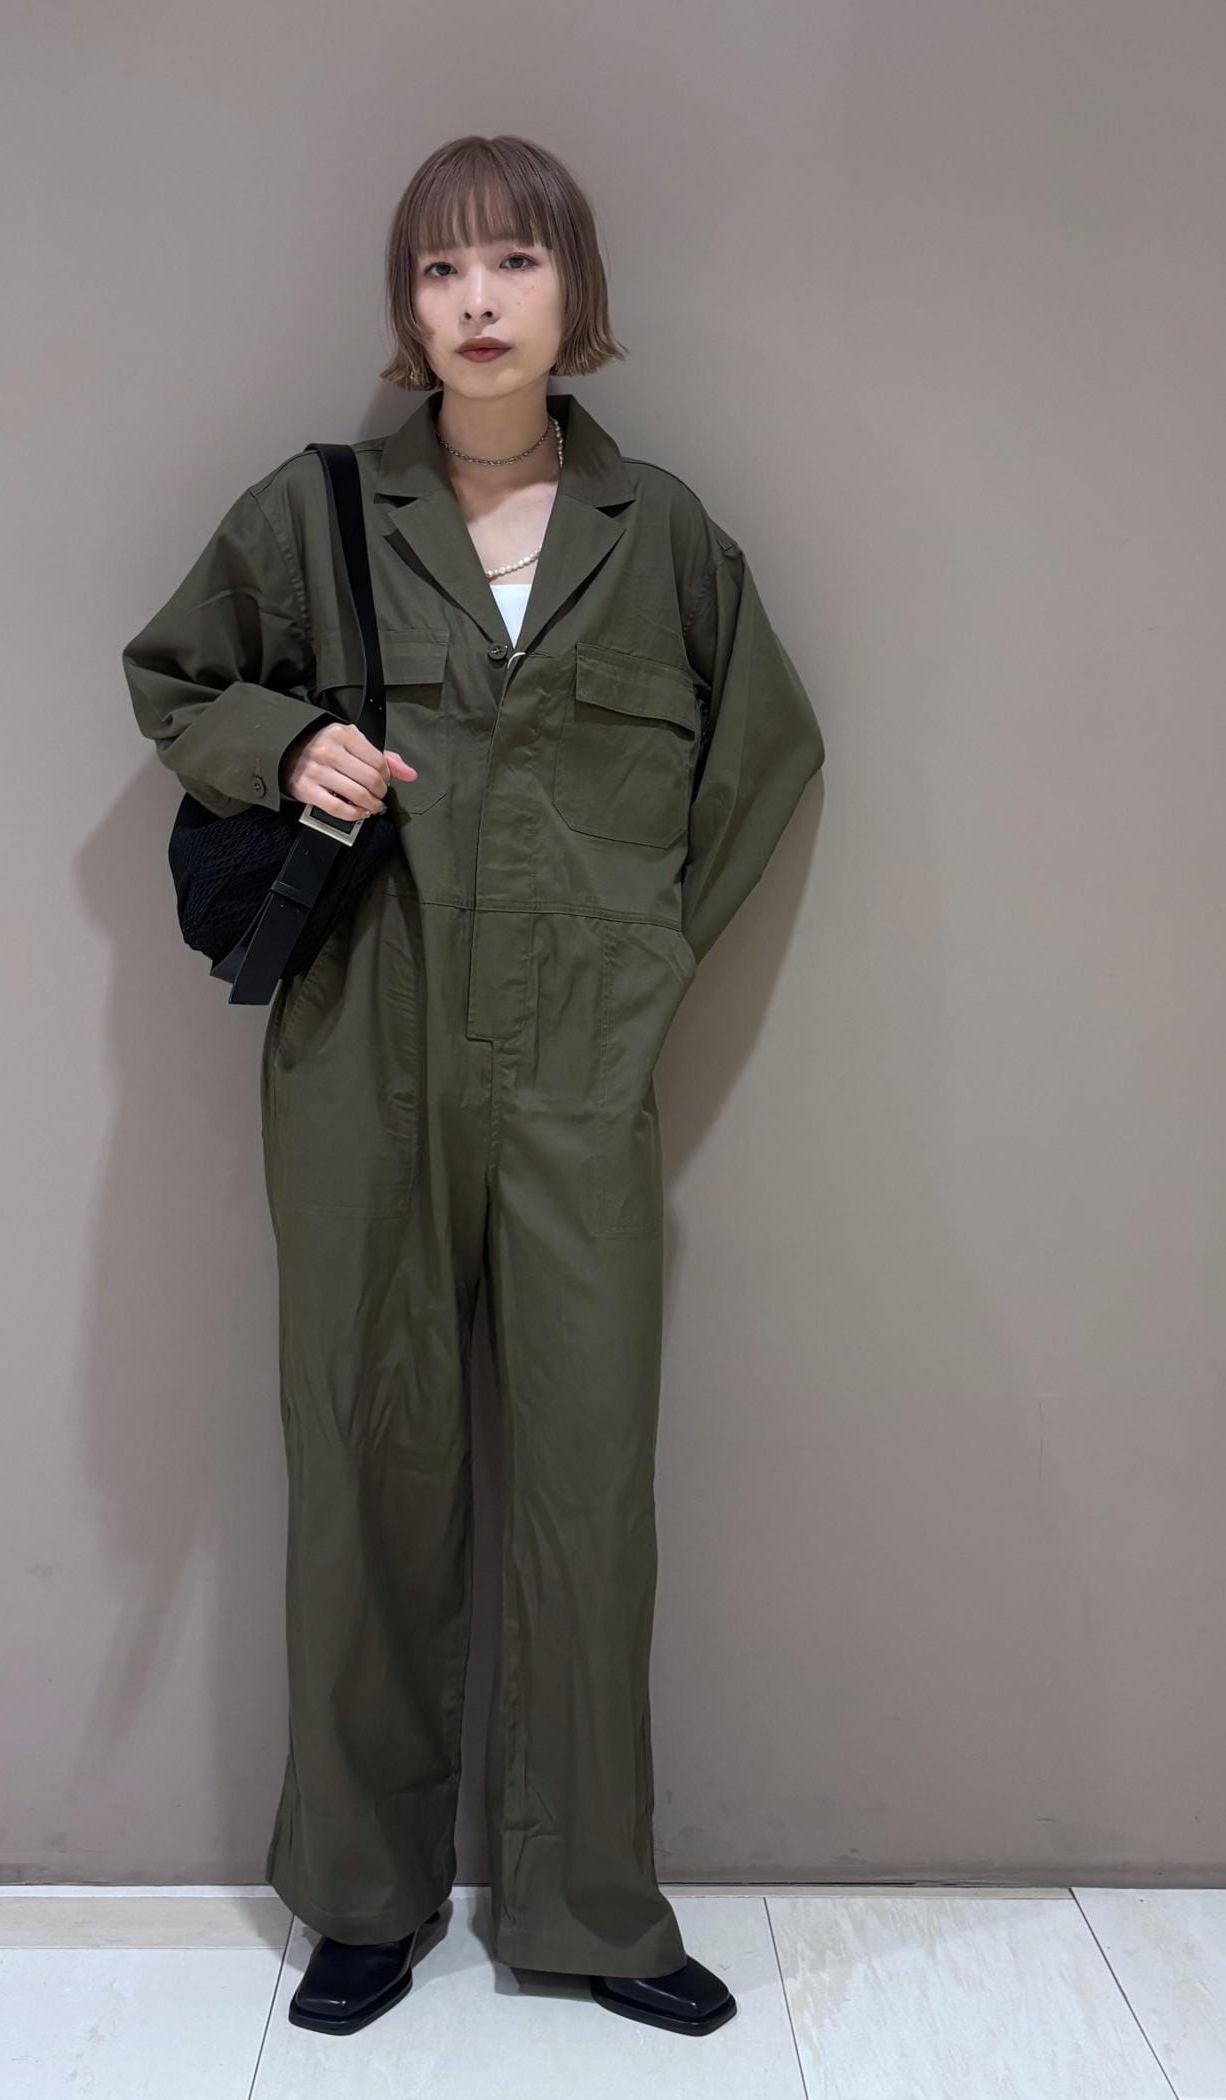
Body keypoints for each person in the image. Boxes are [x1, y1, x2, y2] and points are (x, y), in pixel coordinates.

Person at [122, 133, 825, 2040]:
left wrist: (644, 966)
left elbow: (765, 757)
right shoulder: (319, 513)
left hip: (578, 1070)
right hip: (365, 1049)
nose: (478, 301)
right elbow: (178, 679)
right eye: (440, 270)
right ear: (406, 306)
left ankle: (588, 1905)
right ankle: (363, 1896)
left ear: (573, 290)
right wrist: (290, 748)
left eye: (514, 260)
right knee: (369, 1462)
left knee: (590, 1484)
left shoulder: (659, 535)